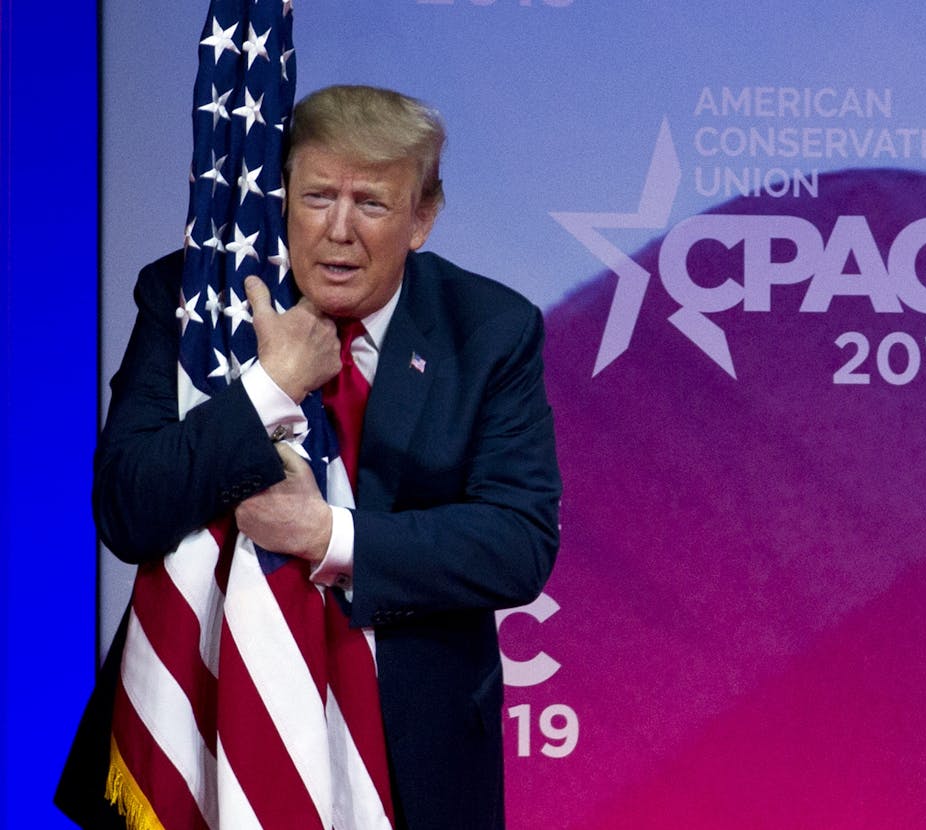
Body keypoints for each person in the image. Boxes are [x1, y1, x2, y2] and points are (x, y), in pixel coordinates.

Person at [56, 85, 561, 829]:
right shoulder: (194, 299)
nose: (340, 231)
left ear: (422, 217)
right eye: (318, 196)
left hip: (411, 751)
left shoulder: (488, 330)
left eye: (373, 204)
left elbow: (517, 541)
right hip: (195, 738)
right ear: (280, 193)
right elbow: (129, 508)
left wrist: (328, 537)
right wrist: (268, 388)